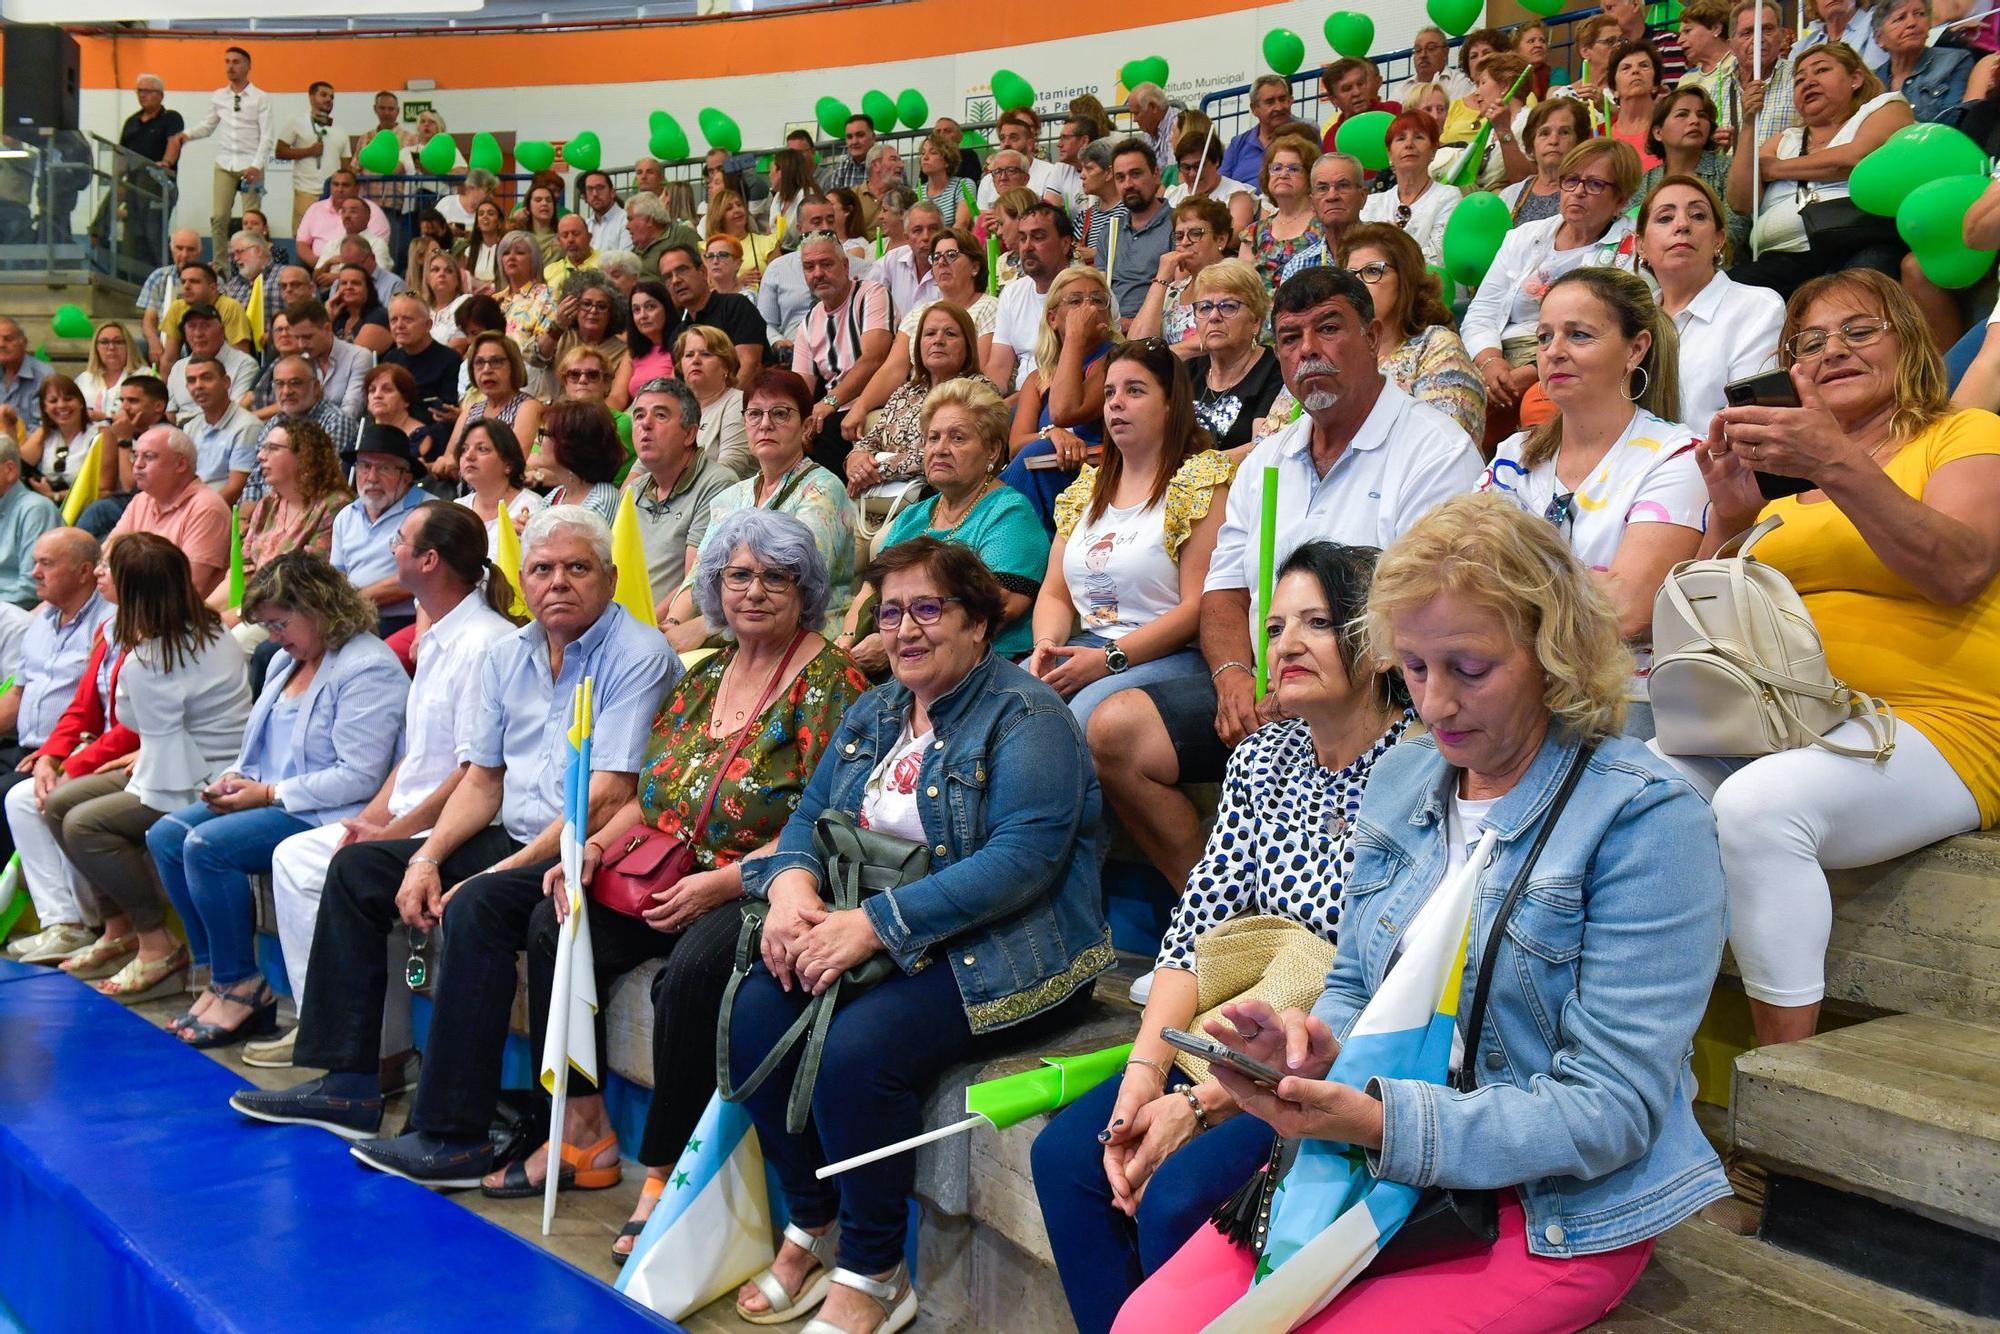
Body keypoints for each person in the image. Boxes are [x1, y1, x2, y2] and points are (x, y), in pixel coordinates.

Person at [1117, 492, 1729, 1330]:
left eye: (1469, 669)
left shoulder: (1647, 819)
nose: (1435, 702)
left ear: (1554, 653)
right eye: (1413, 667)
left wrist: (1383, 1119)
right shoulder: (1406, 778)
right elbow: (1361, 981)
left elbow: (1612, 1111)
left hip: (1551, 1211)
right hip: (1378, 1161)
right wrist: (1313, 1047)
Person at [726, 535, 1111, 1333]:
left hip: (1011, 950)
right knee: (756, 1010)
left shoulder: (1029, 715)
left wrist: (872, 924)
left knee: (858, 1051)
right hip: (886, 930)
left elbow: (1023, 863)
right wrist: (793, 892)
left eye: (928, 609)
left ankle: (873, 1269)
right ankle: (814, 1219)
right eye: (892, 611)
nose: (906, 629)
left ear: (978, 623)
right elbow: (807, 818)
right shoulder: (874, 709)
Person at [1034, 541, 1415, 1332]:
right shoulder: (1264, 756)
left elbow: (1380, 982)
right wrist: (1146, 1075)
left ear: (1377, 642)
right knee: (1069, 1160)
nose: (1288, 645)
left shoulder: (1418, 772)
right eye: (1275, 628)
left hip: (1339, 1054)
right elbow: (1197, 926)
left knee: (1177, 1193)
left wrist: (1202, 1106)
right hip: (1236, 1030)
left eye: (1318, 621)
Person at [231, 506, 677, 1181]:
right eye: (542, 569)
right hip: (512, 829)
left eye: (577, 568)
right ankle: (348, 1083)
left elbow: (608, 794)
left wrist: (491, 873)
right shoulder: (510, 653)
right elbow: (483, 780)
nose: (558, 582)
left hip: (587, 844)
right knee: (358, 868)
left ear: (611, 578)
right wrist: (427, 856)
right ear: (521, 580)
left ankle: (453, 1134)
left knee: (477, 907)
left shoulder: (638, 654)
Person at [1659, 269, 2000, 1049]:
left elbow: (1958, 568)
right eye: (1808, 343)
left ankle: (1785, 1077)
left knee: (1759, 808)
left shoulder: (1966, 435)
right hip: (1791, 724)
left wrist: (1838, 463)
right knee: (1628, 786)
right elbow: (1709, 631)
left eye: (1858, 330)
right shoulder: (1787, 501)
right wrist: (1735, 521)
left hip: (1945, 726)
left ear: (1910, 343)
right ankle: (1638, 1059)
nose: (1831, 350)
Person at [495, 507, 867, 1221]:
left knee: (692, 973)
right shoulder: (702, 677)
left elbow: (824, 818)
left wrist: (722, 884)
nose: (753, 592)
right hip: (664, 871)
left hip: (765, 879)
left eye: (775, 577)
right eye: (737, 576)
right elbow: (654, 796)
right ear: (715, 587)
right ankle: (581, 1127)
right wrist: (594, 850)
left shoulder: (832, 681)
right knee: (555, 921)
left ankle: (666, 1171)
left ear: (806, 588)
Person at [250, 504, 517, 1071]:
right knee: (300, 856)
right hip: (411, 814)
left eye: (399, 540)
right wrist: (374, 821)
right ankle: (352, 1038)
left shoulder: (483, 643)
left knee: (313, 864)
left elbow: (475, 773)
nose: (389, 550)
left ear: (429, 559)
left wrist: (392, 835)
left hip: (462, 826)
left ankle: (369, 1052)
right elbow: (416, 755)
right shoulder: (439, 637)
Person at [145, 551, 404, 1046]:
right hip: (274, 796)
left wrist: (266, 793)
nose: (273, 637)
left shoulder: (369, 666)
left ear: (319, 607)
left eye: (280, 623)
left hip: (323, 811)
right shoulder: (287, 659)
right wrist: (234, 779)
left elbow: (360, 777)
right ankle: (215, 976)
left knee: (206, 847)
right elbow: (261, 747)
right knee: (165, 836)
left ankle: (242, 985)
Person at [1479, 267, 1707, 739]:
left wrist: (1512, 585)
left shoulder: (1678, 456)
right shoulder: (1511, 458)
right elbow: (1457, 575)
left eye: (1578, 335)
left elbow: (1625, 611)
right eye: (1544, 337)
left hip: (1627, 708)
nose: (1553, 351)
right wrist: (1582, 583)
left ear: (1636, 349)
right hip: (1508, 699)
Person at [50, 534, 251, 1000]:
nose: (99, 574)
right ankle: (117, 927)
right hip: (177, 755)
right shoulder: (210, 629)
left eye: (108, 569)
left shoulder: (149, 659)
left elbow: (139, 725)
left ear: (136, 590)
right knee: (60, 802)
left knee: (84, 825)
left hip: (198, 775)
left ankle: (156, 944)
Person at [1027, 342, 1232, 728]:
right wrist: (1045, 648)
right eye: (1109, 393)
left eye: (1134, 391)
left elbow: (1197, 607)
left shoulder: (1198, 481)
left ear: (1171, 403)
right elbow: (1054, 592)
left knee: (1072, 721)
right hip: (1088, 646)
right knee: (1001, 707)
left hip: (1167, 657)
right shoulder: (1086, 489)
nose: (1115, 404)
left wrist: (1108, 659)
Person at [840, 379, 1046, 668]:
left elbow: (993, 608)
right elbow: (869, 593)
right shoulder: (915, 516)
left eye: (958, 438)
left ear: (993, 451)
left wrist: (894, 646)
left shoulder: (1010, 514)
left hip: (978, 673)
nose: (940, 449)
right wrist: (848, 641)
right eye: (933, 438)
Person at [662, 370, 857, 652]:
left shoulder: (823, 489)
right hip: (732, 633)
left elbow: (794, 581)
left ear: (804, 428)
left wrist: (704, 626)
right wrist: (674, 626)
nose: (765, 424)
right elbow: (699, 576)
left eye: (780, 413)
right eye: (754, 414)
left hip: (802, 640)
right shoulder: (729, 497)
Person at [1466, 140, 1643, 437]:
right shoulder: (1525, 236)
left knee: (1539, 403)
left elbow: (1614, 333)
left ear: (1622, 200)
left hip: (1573, 362)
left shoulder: (1631, 250)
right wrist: (1490, 362)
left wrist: (1536, 369)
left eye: (1595, 184)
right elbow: (1482, 310)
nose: (1578, 192)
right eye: (1571, 180)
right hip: (1500, 355)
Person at [0, 528, 116, 964]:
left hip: (75, 748)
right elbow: (17, 695)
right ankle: (59, 921)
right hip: (30, 746)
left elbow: (97, 706)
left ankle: (68, 923)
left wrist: (60, 752)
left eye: (46, 564)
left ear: (85, 571)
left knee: (15, 796)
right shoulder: (41, 622)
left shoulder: (108, 623)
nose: (33, 573)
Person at [1727, 43, 1912, 296]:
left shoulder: (1884, 107)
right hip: (1781, 258)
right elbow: (1740, 201)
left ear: (1855, 79)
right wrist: (1749, 122)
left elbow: (1858, 159)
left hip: (1857, 243)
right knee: (1728, 292)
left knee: (1858, 290)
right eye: (1799, 79)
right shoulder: (1785, 139)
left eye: (1821, 70)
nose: (1808, 82)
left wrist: (1776, 168)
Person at [1638, 176, 1786, 432]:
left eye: (1697, 215)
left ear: (1719, 240)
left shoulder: (1758, 308)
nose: (1682, 225)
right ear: (1641, 246)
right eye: (1665, 218)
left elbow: (1752, 423)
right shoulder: (1630, 319)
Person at [1326, 225, 1486, 443]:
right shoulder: (1330, 351)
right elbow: (1272, 436)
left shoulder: (1436, 345)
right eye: (1349, 276)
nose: (1358, 285)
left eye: (1373, 271)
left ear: (1406, 279)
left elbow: (1444, 445)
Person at [845, 226, 994, 436]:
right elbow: (893, 369)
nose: (941, 262)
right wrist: (860, 406)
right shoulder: (919, 313)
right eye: (936, 257)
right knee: (860, 424)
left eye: (952, 255)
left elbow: (982, 371)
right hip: (915, 402)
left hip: (961, 404)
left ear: (975, 267)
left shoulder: (990, 308)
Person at [1003, 267, 1120, 532]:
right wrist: (1051, 433)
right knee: (1035, 451)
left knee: (1036, 454)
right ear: (1053, 318)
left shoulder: (1116, 361)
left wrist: (1075, 337)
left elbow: (1065, 410)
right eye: (1076, 301)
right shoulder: (1038, 377)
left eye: (1097, 300)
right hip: (1046, 473)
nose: (1087, 308)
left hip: (1093, 477)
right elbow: (1015, 445)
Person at [844, 298, 998, 498]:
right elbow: (871, 440)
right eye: (930, 333)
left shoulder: (979, 391)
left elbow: (948, 454)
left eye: (950, 334)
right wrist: (856, 459)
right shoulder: (905, 392)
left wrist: (875, 470)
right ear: (919, 345)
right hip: (881, 501)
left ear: (968, 345)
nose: (938, 340)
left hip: (944, 499)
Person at [619, 377, 737, 609]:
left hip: (662, 631)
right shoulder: (632, 491)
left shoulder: (718, 485)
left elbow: (693, 583)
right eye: (639, 415)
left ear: (689, 434)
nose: (646, 424)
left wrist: (640, 629)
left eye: (660, 415)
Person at [790, 231, 893, 476]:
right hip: (831, 413)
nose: (817, 273)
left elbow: (873, 359)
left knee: (826, 434)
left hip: (875, 402)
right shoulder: (808, 322)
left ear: (845, 265)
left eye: (826, 264)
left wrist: (829, 403)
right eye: (809, 267)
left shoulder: (871, 294)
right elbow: (800, 388)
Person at [226, 416, 350, 615]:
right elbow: (243, 573)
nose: (260, 456)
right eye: (263, 447)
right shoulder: (267, 505)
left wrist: (227, 619)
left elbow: (307, 582)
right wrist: (200, 610)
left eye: (273, 448)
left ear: (304, 456)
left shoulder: (333, 506)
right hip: (252, 604)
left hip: (292, 612)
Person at [174, 47, 275, 261]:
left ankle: (252, 261)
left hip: (251, 165)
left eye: (236, 62)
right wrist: (186, 135)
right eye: (227, 61)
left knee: (251, 220)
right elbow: (208, 126)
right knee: (219, 217)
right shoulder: (219, 96)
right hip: (225, 163)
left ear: (248, 66)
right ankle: (221, 264)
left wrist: (257, 165)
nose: (230, 66)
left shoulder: (260, 98)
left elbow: (267, 136)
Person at [1177, 259, 1285, 456]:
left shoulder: (1274, 369)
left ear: (1255, 321)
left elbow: (1261, 448)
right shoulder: (1187, 371)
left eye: (1228, 306)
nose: (1214, 316)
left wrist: (1195, 469)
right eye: (1205, 307)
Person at [110, 426, 231, 598]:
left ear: (181, 464)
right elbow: (108, 555)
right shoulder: (141, 500)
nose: (138, 464)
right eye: (136, 456)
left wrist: (122, 584)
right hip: (136, 601)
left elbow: (188, 586)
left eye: (149, 457)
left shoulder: (207, 508)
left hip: (177, 617)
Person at [330, 423, 423, 635]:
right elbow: (337, 577)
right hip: (350, 614)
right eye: (364, 466)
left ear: (406, 476)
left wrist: (353, 600)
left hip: (402, 620)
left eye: (384, 468)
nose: (371, 477)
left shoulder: (427, 512)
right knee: (272, 650)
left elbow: (417, 579)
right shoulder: (346, 515)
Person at [985, 200, 1074, 394]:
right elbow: (999, 367)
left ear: (1065, 243)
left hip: (1063, 395)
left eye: (1038, 237)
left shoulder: (1087, 292)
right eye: (1022, 238)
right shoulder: (1012, 293)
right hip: (1020, 397)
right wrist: (986, 405)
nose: (1027, 247)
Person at [1128, 198, 1234, 353]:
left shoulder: (1235, 282)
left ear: (1221, 239)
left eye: (1195, 234)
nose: (1184, 242)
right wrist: (1161, 277)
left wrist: (1163, 357)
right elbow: (1136, 345)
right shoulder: (1173, 290)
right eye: (1178, 236)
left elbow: (1220, 337)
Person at [1361, 112, 1461, 268]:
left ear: (1433, 151)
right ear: (1390, 154)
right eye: (1400, 138)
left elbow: (1440, 259)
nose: (1409, 144)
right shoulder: (1372, 203)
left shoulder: (1448, 196)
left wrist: (1396, 244)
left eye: (1418, 137)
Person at [439, 332, 543, 480]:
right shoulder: (471, 410)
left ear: (513, 366)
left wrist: (458, 462)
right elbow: (448, 458)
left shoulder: (528, 407)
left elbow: (515, 462)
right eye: (479, 362)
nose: (486, 369)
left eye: (496, 361)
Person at [660, 241, 767, 381]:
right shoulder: (678, 335)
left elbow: (750, 365)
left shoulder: (736, 306)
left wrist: (726, 403)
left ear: (703, 272)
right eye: (668, 276)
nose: (675, 280)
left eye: (682, 270)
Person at [1638, 85, 1735, 221]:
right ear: (1658, 132)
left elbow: (1735, 231)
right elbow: (1629, 231)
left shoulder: (1728, 170)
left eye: (1702, 115)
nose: (1695, 121)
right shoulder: (1645, 182)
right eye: (1682, 114)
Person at [1105, 139, 1174, 323]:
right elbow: (1100, 291)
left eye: (1135, 174)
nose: (1127, 184)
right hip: (1113, 330)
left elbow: (1181, 293)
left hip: (1158, 329)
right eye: (1120, 178)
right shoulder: (1110, 231)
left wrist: (1138, 323)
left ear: (1156, 175)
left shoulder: (1178, 225)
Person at [1242, 135, 1321, 289]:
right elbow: (1242, 288)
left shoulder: (1325, 225)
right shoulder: (1253, 232)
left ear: (1310, 177)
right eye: (1276, 168)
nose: (1283, 174)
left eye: (1294, 169)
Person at [674, 325, 753, 479]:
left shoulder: (738, 402)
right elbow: (642, 467)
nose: (695, 360)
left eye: (706, 354)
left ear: (726, 365)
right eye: (689, 355)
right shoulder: (676, 408)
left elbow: (731, 466)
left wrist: (676, 488)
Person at [1876, 0, 1974, 121]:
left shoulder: (1955, 61)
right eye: (1900, 18)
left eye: (1920, 14)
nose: (1912, 23)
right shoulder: (1874, 80)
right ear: (1879, 38)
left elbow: (1951, 122)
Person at [180, 356, 260, 503]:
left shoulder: (247, 426)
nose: (198, 386)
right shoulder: (190, 426)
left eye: (207, 378)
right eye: (192, 381)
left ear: (226, 382)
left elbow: (236, 488)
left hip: (220, 510)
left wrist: (193, 512)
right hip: (190, 505)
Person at [164, 305, 259, 422]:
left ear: (222, 330)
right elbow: (170, 413)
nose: (198, 334)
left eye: (205, 326)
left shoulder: (245, 364)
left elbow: (236, 412)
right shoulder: (178, 367)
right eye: (191, 326)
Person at [287, 299, 372, 421]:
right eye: (296, 338)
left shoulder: (358, 357)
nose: (301, 345)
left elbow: (351, 412)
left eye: (307, 337)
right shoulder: (302, 362)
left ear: (327, 328)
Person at [294, 169, 390, 276]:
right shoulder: (315, 209)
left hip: (362, 278)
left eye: (345, 185)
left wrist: (337, 276)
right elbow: (302, 243)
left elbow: (378, 270)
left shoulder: (372, 212)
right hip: (319, 270)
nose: (340, 189)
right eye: (335, 184)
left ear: (357, 188)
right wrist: (323, 265)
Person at [23, 375, 95, 506]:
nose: (61, 405)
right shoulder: (45, 434)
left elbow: (100, 491)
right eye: (53, 401)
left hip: (83, 508)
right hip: (46, 506)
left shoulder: (99, 435)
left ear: (81, 402)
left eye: (68, 399)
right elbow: (18, 466)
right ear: (44, 407)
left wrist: (54, 496)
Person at [1219, 75, 1297, 183]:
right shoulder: (1238, 144)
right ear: (1254, 109)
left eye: (1282, 99)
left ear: (1290, 101)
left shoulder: (1305, 136)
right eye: (1270, 102)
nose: (1279, 107)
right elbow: (1221, 184)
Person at [1609, 41, 1672, 171]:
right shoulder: (1599, 133)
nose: (1636, 71)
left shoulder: (1670, 130)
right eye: (1626, 68)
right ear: (1614, 89)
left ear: (1655, 85)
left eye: (1644, 66)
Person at [1679, 0, 1742, 107]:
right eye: (1680, 34)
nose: (1679, 40)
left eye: (1687, 31)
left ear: (1715, 29)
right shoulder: (1685, 81)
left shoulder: (1743, 66)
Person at [78, 321, 142, 423]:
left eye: (118, 342)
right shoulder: (84, 379)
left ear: (128, 346)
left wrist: (105, 417)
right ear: (96, 347)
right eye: (104, 342)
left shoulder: (143, 376)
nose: (111, 347)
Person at [626, 278, 676, 388]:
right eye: (636, 310)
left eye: (650, 307)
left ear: (666, 308)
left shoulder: (682, 346)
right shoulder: (632, 353)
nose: (643, 315)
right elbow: (617, 397)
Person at [459, 200, 508, 291]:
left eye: (490, 213)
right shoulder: (469, 251)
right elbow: (465, 279)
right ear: (477, 223)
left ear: (499, 222)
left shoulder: (506, 250)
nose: (485, 217)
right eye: (481, 214)